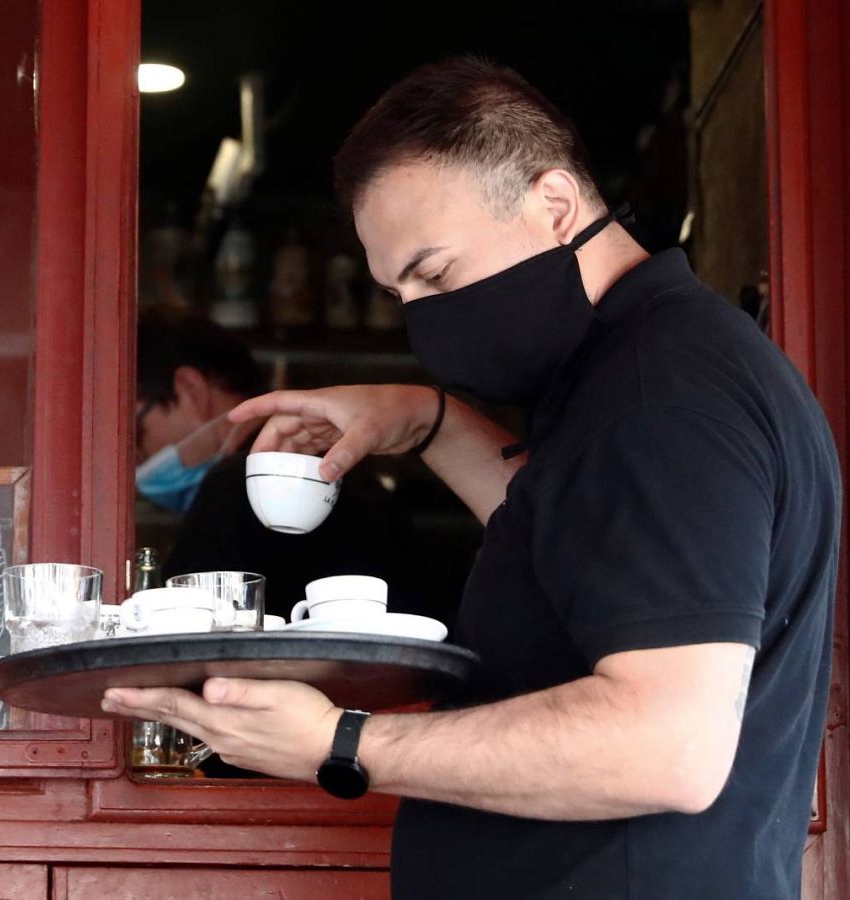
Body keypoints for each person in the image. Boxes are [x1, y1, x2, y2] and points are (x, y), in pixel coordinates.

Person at [104, 56, 840, 899]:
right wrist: (429, 419)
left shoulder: (658, 397)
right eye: (398, 292)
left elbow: (666, 745)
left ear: (554, 205)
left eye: (435, 272)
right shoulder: (633, 373)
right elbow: (574, 550)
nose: (423, 315)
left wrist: (340, 743)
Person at [136, 307, 421, 621]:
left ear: (190, 390)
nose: (133, 455)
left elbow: (184, 634)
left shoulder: (239, 485)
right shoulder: (337, 470)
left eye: (135, 431)